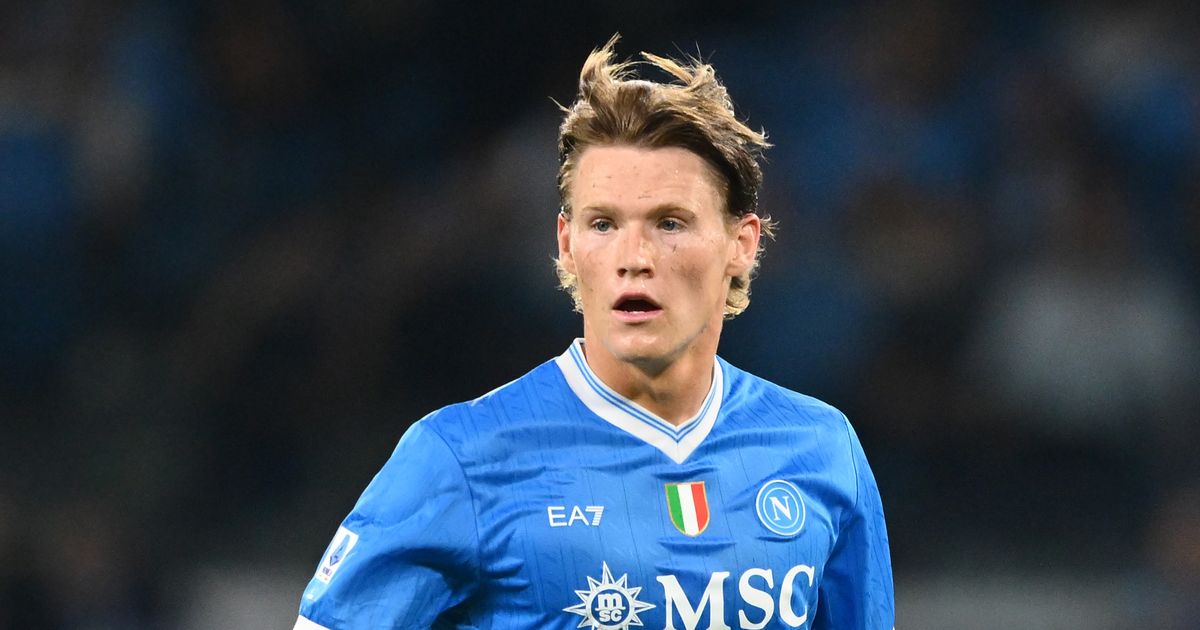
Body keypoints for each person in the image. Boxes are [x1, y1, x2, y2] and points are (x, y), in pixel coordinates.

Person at [294, 36, 894, 630]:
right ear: (567, 244)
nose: (634, 257)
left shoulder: (820, 450)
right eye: (603, 224)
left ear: (741, 244)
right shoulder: (461, 457)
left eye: (670, 223)